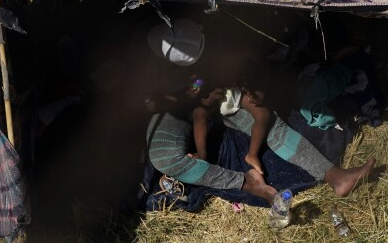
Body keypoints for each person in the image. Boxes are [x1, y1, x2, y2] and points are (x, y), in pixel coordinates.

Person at [136, 17, 375, 204]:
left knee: (267, 121)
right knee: (164, 157)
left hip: (225, 96)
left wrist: (259, 88)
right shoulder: (151, 66)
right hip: (181, 109)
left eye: (204, 55)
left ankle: (336, 177)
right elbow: (148, 104)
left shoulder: (220, 41)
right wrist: (184, 97)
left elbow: (259, 62)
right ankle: (245, 183)